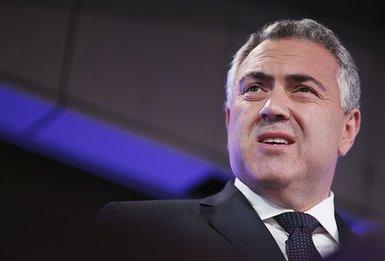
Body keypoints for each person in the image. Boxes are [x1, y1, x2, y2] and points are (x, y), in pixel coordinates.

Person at [96, 18, 361, 261]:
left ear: (347, 130)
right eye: (254, 88)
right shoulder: (144, 232)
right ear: (229, 120)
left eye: (303, 90)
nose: (272, 107)